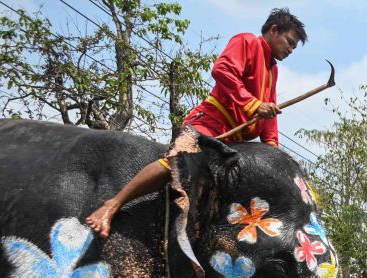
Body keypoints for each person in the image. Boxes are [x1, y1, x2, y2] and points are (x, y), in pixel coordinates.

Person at [86, 9, 308, 237]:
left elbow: (268, 113)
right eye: (289, 42)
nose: (290, 50)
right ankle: (113, 204)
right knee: (179, 161)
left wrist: (273, 151)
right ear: (273, 30)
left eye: (293, 46)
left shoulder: (273, 70)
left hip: (234, 144)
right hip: (211, 124)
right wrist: (251, 104)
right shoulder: (247, 41)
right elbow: (222, 70)